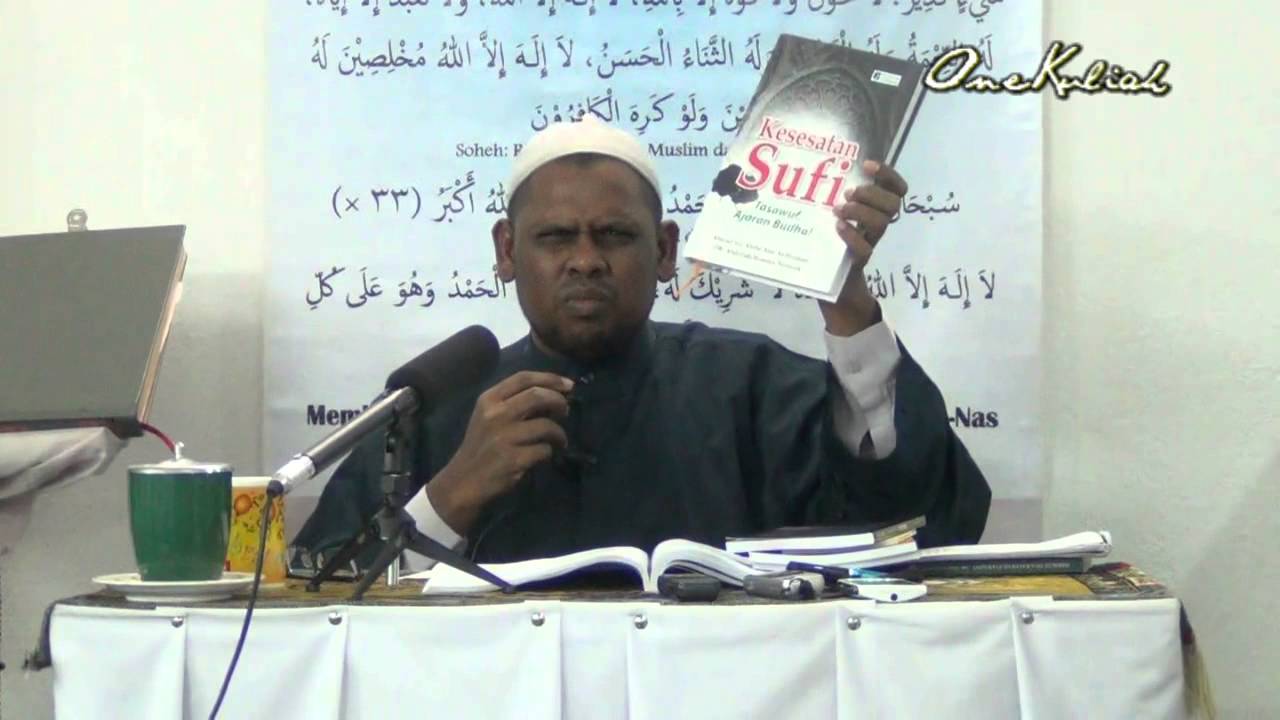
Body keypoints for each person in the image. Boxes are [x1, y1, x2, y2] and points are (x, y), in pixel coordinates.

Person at [293, 119, 990, 569]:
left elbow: (919, 525)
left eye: (615, 236)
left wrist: (846, 299)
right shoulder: (432, 411)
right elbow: (320, 597)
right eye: (555, 238)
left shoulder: (750, 386)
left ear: (663, 251)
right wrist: (447, 498)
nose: (586, 261)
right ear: (506, 251)